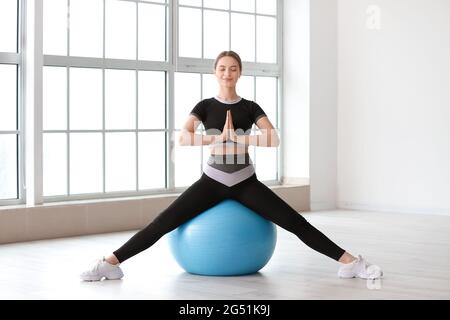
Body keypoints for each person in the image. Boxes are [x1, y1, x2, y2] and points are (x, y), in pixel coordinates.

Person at [80, 51, 383, 282]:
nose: (227, 73)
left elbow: (273, 138)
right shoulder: (205, 106)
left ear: (240, 73)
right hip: (211, 181)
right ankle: (110, 264)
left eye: (233, 68)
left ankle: (351, 263)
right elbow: (183, 138)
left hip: (245, 182)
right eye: (222, 68)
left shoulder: (249, 107)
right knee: (162, 223)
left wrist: (239, 137)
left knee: (295, 222)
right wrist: (214, 140)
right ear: (215, 72)